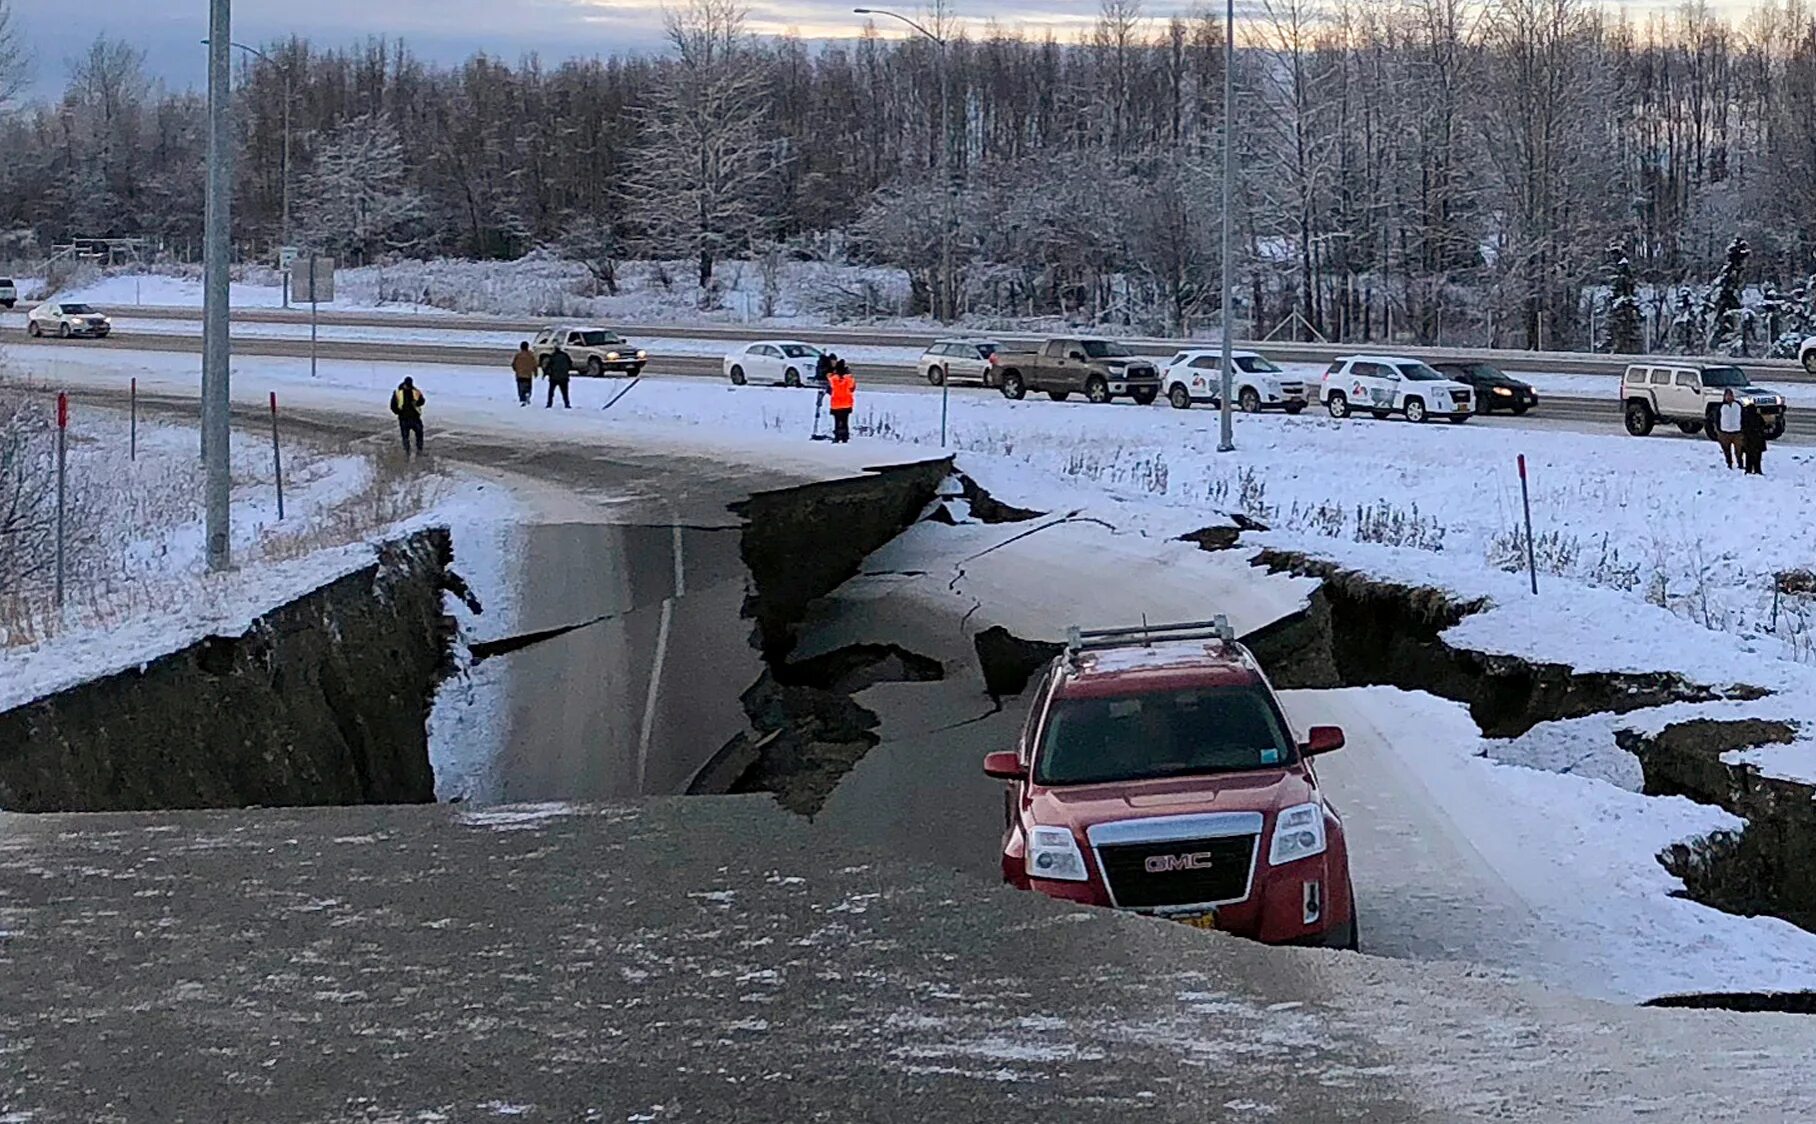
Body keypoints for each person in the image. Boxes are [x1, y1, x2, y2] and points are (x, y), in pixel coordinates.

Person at [390, 376, 426, 456]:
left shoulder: (415, 391)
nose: (408, 387)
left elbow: (422, 401)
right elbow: (393, 405)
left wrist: (417, 403)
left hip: (415, 417)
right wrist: (398, 412)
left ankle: (419, 450)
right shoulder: (398, 393)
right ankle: (407, 452)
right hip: (404, 418)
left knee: (419, 434)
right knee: (405, 437)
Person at [827, 360, 856, 444]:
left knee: (837, 421)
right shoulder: (849, 379)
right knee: (845, 421)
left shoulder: (833, 379)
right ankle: (845, 437)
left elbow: (829, 390)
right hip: (847, 403)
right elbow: (852, 388)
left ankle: (837, 437)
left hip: (836, 404)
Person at [1716, 388, 1743, 470]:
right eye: (1727, 396)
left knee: (1739, 450)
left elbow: (1743, 417)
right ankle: (1729, 464)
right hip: (1724, 432)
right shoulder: (1721, 407)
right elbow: (1717, 419)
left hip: (1737, 432)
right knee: (1726, 450)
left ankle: (1740, 463)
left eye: (1730, 396)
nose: (1728, 398)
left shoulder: (1738, 405)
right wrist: (1718, 430)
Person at [1741, 399, 1766, 475]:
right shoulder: (1758, 417)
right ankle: (1757, 470)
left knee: (1748, 456)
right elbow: (1763, 426)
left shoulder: (1745, 418)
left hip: (1748, 440)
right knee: (1757, 457)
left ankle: (1748, 470)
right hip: (1758, 439)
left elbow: (1743, 428)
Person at [545, 343, 573, 409]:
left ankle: (549, 404)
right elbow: (570, 364)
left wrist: (546, 373)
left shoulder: (553, 356)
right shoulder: (565, 355)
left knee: (551, 392)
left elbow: (548, 366)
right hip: (564, 377)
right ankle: (567, 404)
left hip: (554, 377)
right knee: (565, 392)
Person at [511, 341, 539, 407]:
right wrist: (535, 372)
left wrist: (516, 370)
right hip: (528, 375)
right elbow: (535, 364)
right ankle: (527, 394)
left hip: (520, 375)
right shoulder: (531, 355)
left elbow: (513, 364)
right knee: (528, 387)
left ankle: (522, 399)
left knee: (521, 388)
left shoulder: (518, 355)